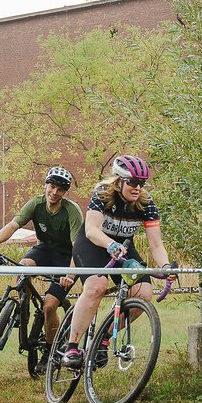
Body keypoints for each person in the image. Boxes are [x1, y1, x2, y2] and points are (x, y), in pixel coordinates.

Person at [61, 154, 175, 369]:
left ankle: (102, 338)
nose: (137, 188)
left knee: (143, 293)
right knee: (97, 286)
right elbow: (92, 230)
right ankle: (72, 346)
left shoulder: (146, 204)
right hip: (93, 244)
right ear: (119, 180)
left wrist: (165, 266)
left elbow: (156, 245)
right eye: (132, 182)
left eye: (141, 183)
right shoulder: (103, 194)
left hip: (123, 247)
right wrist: (109, 245)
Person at [0, 166, 82, 352]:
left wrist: (70, 275)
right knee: (22, 269)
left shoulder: (72, 211)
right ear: (45, 185)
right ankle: (25, 306)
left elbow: (78, 248)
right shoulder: (36, 204)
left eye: (60, 189)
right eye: (51, 186)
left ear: (65, 192)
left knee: (49, 306)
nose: (54, 192)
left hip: (67, 257)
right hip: (45, 250)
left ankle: (49, 350)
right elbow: (13, 225)